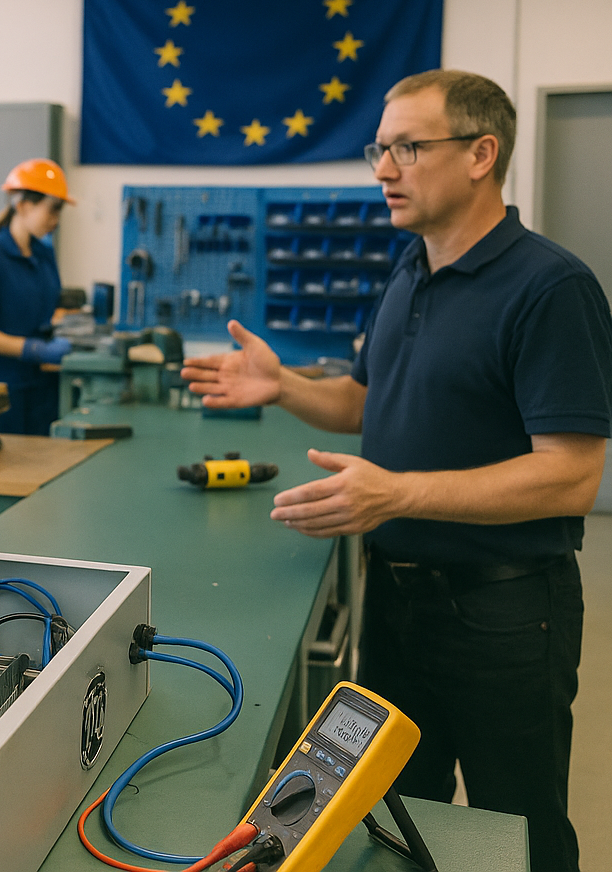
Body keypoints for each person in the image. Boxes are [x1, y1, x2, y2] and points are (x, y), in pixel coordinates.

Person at [182, 70, 610, 872]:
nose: (383, 168)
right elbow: (362, 403)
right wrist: (283, 387)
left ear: (482, 153)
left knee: (519, 833)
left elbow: (570, 477)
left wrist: (398, 492)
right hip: (400, 603)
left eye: (408, 147)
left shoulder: (551, 288)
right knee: (393, 821)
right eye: (380, 148)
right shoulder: (408, 271)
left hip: (507, 614)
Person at [0, 158, 73, 435]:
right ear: (22, 205)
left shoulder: (43, 254)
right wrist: (33, 349)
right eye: (52, 211)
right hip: (3, 389)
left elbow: (50, 308)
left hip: (43, 386)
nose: (56, 221)